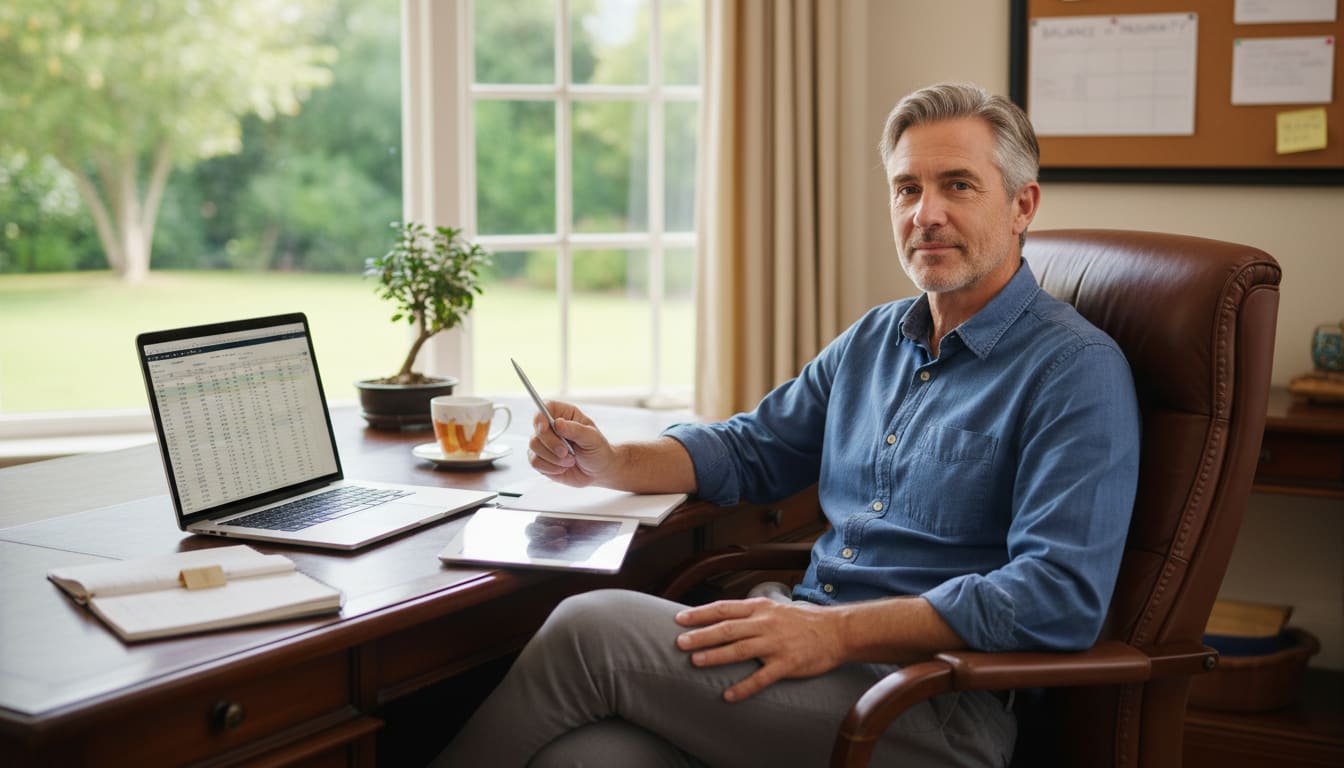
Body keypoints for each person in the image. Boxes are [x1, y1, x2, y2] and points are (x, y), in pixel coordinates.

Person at [433, 82, 1141, 767]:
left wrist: (835, 634)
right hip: (807, 648)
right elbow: (752, 448)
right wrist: (611, 461)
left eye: (957, 185)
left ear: (1023, 206)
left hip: (930, 703)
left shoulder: (1074, 370)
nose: (925, 214)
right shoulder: (875, 339)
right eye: (906, 188)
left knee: (590, 632)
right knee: (589, 757)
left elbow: (1059, 598)